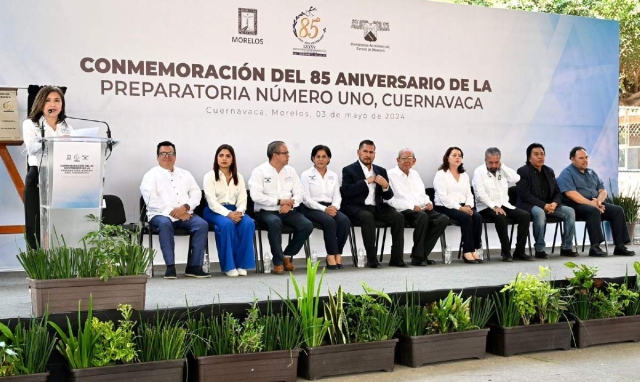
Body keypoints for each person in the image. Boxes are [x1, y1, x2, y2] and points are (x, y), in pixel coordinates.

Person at [140, 141, 211, 279]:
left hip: (185, 214)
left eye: (170, 153)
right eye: (163, 153)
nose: (167, 156)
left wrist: (185, 207)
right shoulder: (150, 175)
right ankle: (170, 267)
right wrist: (174, 213)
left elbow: (196, 193)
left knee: (201, 224)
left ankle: (194, 267)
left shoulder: (185, 174)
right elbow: (151, 199)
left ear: (175, 156)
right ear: (157, 157)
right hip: (160, 215)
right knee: (165, 224)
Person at [248, 141, 313, 274]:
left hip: (288, 210)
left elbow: (300, 193)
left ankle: (287, 256)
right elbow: (255, 196)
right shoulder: (259, 171)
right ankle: (277, 262)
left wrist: (290, 204)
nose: (288, 155)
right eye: (285, 153)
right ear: (275, 155)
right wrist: (279, 202)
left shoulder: (291, 170)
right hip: (265, 211)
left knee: (307, 225)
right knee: (275, 222)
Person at [557, 146, 635, 257]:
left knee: (617, 210)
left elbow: (602, 190)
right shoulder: (567, 174)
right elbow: (570, 194)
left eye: (586, 157)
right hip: (576, 206)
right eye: (581, 158)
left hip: (595, 203)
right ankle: (595, 247)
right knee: (592, 210)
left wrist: (598, 201)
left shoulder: (591, 173)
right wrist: (591, 204)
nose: (585, 160)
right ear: (572, 159)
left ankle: (620, 246)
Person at [22, 86, 73, 250]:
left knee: (59, 220)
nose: (53, 104)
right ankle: (38, 264)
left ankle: (59, 262)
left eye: (57, 100)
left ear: (62, 105)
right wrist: (52, 141)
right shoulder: (31, 124)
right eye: (48, 100)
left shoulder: (67, 127)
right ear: (40, 103)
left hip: (61, 175)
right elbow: (31, 148)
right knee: (35, 222)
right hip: (38, 175)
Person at [341, 139, 405, 268]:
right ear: (358, 152)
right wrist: (366, 182)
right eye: (365, 151)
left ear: (374, 154)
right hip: (357, 208)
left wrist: (386, 186)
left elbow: (388, 196)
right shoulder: (348, 170)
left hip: (377, 207)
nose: (368, 155)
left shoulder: (380, 170)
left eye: (371, 152)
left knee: (398, 217)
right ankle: (372, 259)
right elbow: (347, 192)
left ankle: (396, 258)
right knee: (367, 217)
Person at [387, 148, 449, 266]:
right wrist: (411, 206)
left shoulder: (415, 174)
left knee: (443, 219)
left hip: (421, 209)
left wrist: (428, 202)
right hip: (403, 210)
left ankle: (421, 254)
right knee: (422, 216)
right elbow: (391, 200)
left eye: (409, 158)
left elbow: (423, 194)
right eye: (403, 158)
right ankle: (418, 257)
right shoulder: (390, 175)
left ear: (414, 161)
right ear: (397, 160)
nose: (406, 161)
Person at [516, 143, 579, 258]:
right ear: (529, 158)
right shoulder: (523, 171)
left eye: (542, 154)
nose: (540, 157)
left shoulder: (549, 171)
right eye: (536, 154)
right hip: (529, 205)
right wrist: (543, 205)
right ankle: (540, 249)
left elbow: (557, 192)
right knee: (539, 213)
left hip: (549, 205)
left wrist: (554, 203)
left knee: (569, 211)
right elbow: (525, 195)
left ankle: (567, 247)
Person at [202, 144, 256, 277]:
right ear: (216, 158)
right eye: (221, 155)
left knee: (248, 223)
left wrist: (239, 212)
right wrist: (228, 214)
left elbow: (243, 198)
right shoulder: (209, 176)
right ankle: (229, 266)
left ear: (232, 159)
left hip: (235, 210)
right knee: (226, 224)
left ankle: (241, 264)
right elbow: (211, 202)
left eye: (228, 156)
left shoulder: (239, 177)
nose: (224, 159)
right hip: (214, 211)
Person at [472, 147, 532, 262]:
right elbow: (480, 194)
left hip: (504, 204)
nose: (494, 165)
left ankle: (519, 251)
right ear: (485, 160)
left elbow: (516, 178)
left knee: (525, 216)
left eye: (496, 162)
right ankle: (506, 252)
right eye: (491, 162)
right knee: (500, 217)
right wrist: (494, 206)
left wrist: (502, 166)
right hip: (486, 207)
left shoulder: (502, 169)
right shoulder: (479, 172)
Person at [300, 145, 351, 269]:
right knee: (329, 222)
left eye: (324, 157)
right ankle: (330, 255)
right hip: (311, 208)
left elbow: (337, 196)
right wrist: (324, 209)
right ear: (313, 158)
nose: (321, 159)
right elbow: (306, 198)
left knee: (344, 221)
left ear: (329, 159)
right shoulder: (306, 175)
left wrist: (334, 207)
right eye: (318, 156)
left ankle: (338, 252)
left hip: (331, 207)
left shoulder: (333, 175)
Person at [433, 147, 483, 264]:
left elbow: (469, 194)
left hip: (463, 206)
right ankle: (467, 251)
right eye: (454, 155)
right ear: (447, 158)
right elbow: (443, 197)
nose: (457, 158)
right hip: (445, 207)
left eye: (459, 156)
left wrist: (469, 206)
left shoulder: (464, 175)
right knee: (466, 217)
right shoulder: (441, 174)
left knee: (477, 217)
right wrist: (460, 208)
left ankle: (474, 249)